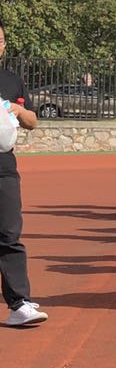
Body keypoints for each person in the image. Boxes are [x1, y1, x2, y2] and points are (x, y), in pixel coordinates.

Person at [0, 24, 45, 328]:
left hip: (3, 164)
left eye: (1, 40)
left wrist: (17, 112)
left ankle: (19, 303)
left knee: (8, 233)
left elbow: (32, 120)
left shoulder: (12, 80)